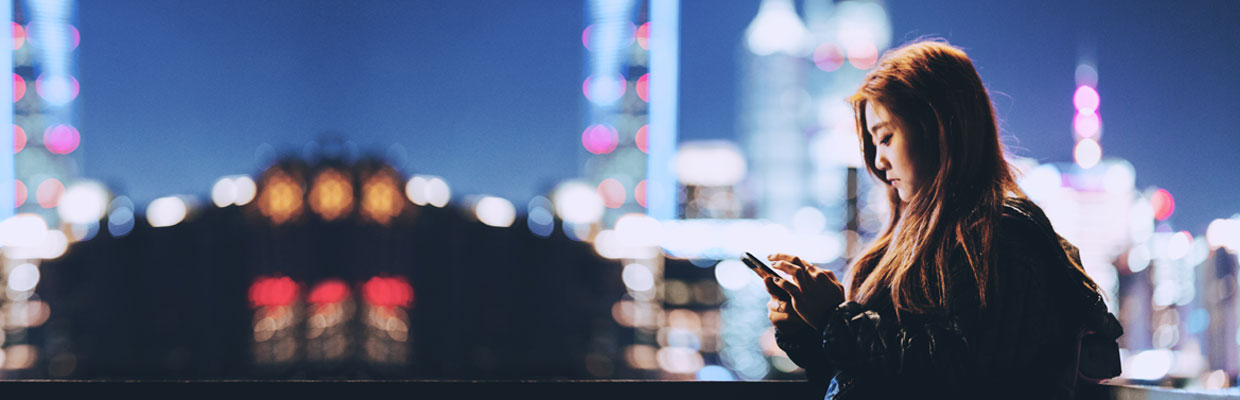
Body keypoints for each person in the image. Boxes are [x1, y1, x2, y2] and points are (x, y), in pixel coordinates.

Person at [762, 39, 1123, 399]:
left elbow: (956, 371)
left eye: (885, 137)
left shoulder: (1001, 234)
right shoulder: (916, 239)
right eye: (872, 144)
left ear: (936, 127)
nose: (878, 161)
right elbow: (870, 376)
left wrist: (833, 319)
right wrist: (807, 330)